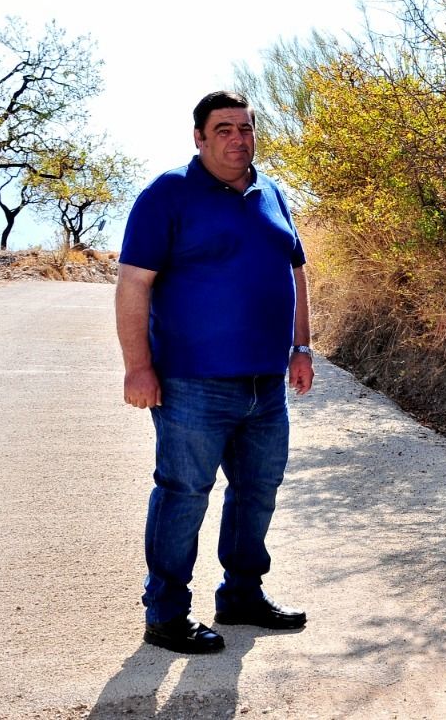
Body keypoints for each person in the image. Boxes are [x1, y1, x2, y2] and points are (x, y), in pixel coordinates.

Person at [115, 90, 316, 654]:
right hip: (190, 384)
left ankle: (242, 595)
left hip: (265, 384)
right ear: (199, 138)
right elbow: (134, 283)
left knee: (257, 491)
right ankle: (166, 613)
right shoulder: (168, 195)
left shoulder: (270, 192)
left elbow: (296, 271)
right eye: (223, 129)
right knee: (184, 493)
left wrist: (302, 346)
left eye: (245, 128)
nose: (237, 139)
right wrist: (138, 368)